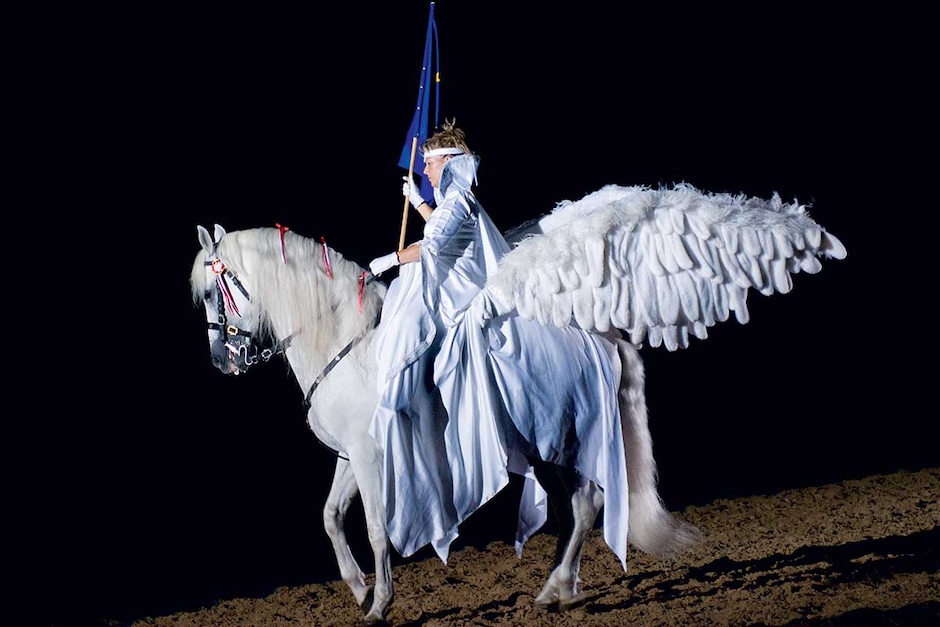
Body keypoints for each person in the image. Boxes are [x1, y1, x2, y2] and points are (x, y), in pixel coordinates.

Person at [367, 121, 631, 568]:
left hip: (472, 301)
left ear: (448, 163)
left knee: (445, 354)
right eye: (425, 164)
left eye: (429, 163)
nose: (425, 171)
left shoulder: (457, 200)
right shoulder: (452, 201)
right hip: (456, 293)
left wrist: (389, 259)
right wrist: (418, 202)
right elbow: (441, 232)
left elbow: (432, 250)